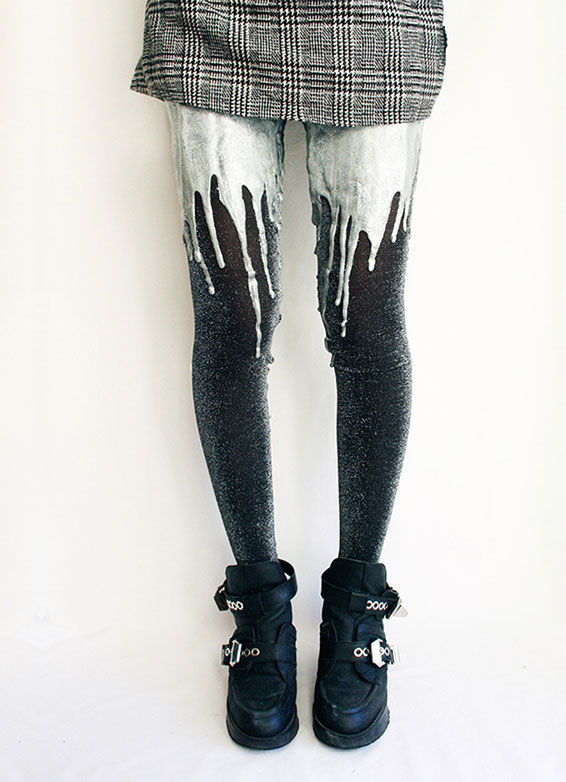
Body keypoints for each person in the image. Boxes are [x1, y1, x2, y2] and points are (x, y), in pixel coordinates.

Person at [130, 0, 447, 750]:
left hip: (376, 26)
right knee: (232, 322)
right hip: (211, 24)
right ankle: (258, 606)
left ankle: (359, 604)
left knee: (366, 322)